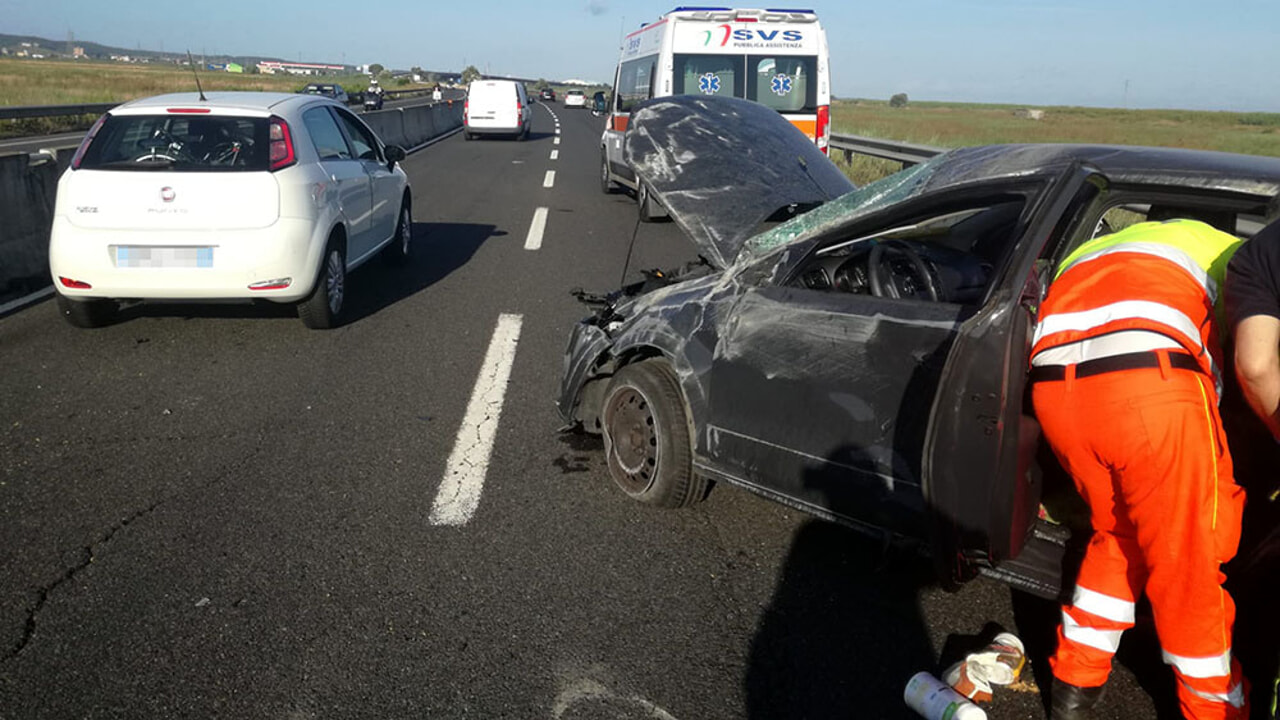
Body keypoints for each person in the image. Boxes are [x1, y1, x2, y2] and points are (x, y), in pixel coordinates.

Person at [1029, 218, 1249, 720]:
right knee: (1188, 560)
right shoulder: (1245, 254)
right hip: (1148, 386)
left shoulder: (1100, 245)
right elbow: (1256, 357)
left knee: (1118, 532)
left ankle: (1073, 683)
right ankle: (1213, 710)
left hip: (1057, 392)